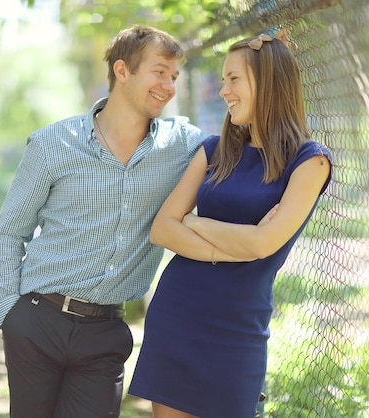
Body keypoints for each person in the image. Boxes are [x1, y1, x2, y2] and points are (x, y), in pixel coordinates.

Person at [0, 24, 212, 418]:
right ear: (122, 71)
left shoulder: (184, 145)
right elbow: (8, 232)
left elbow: (243, 135)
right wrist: (9, 312)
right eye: (159, 71)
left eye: (174, 76)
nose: (169, 86)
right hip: (38, 320)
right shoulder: (53, 144)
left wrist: (263, 59)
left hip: (106, 331)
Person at [127, 33, 333, 418]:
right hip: (178, 314)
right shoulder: (212, 150)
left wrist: (194, 221)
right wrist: (231, 243)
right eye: (223, 80)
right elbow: (162, 230)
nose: (223, 91)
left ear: (267, 81)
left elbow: (260, 245)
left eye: (233, 79)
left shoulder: (309, 161)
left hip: (238, 329)